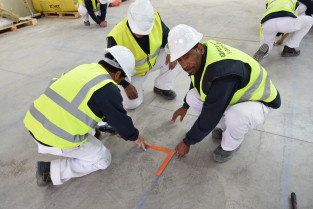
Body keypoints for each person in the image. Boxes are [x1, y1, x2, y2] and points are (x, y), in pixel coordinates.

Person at [24, 46, 149, 186]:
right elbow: (120, 121)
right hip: (56, 136)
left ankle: (95, 130)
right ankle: (50, 172)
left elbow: (83, 102)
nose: (120, 83)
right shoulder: (108, 88)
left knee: (90, 108)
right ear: (117, 73)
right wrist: (135, 137)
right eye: (122, 79)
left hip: (35, 120)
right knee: (102, 159)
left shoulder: (84, 68)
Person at [168, 24, 281, 163]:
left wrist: (187, 141)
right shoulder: (204, 52)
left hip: (262, 101)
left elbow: (210, 115)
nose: (184, 65)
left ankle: (230, 146)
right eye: (180, 60)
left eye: (187, 57)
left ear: (200, 48)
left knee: (236, 116)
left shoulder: (222, 74)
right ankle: (224, 127)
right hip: (237, 95)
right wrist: (185, 106)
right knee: (192, 97)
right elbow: (198, 79)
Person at [106, 0, 179, 110]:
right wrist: (125, 84)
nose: (141, 34)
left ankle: (162, 87)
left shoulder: (155, 20)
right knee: (131, 104)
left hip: (153, 62)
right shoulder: (116, 37)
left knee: (176, 57)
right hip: (133, 74)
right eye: (139, 30)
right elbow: (111, 68)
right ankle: (135, 87)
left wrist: (171, 51)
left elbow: (168, 37)